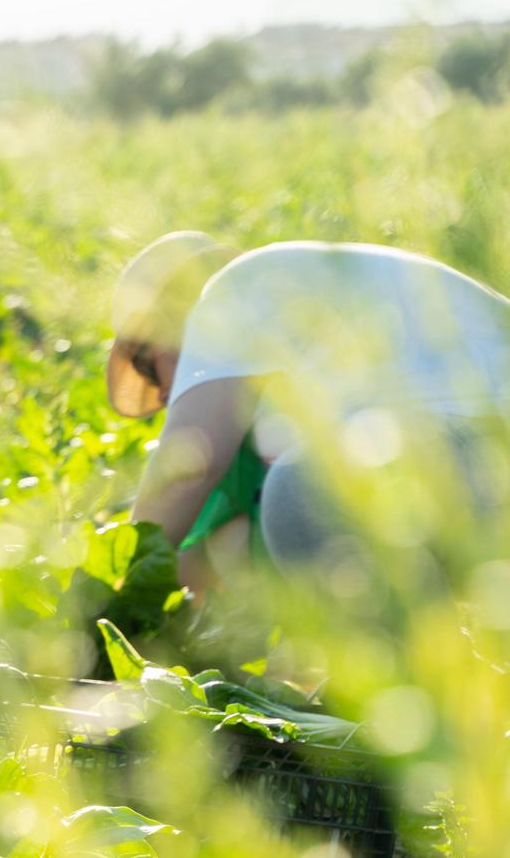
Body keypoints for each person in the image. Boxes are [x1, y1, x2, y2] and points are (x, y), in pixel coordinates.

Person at [113, 232, 510, 595]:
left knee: (298, 490)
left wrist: (112, 585)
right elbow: (238, 555)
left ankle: (408, 664)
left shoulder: (230, 292)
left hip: (481, 453)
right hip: (478, 459)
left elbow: (190, 464)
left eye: (149, 368)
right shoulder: (298, 327)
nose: (163, 394)